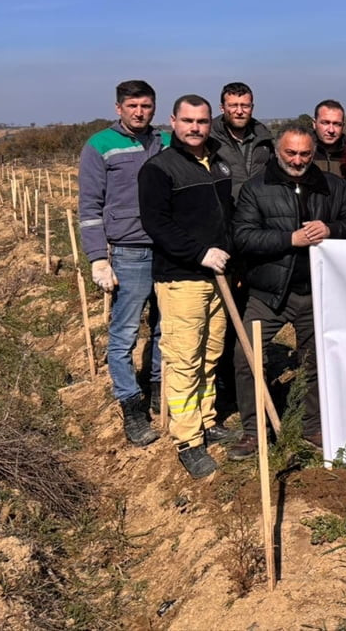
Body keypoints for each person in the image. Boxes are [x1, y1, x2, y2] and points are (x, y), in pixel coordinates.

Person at [227, 125, 346, 459]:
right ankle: (252, 430)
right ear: (278, 151)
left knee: (315, 362)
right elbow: (243, 237)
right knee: (246, 358)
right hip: (268, 293)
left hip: (317, 293)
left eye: (305, 154)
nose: (298, 160)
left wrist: (331, 229)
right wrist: (291, 239)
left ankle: (311, 426)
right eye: (291, 153)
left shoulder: (332, 186)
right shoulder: (255, 188)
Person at [138, 95, 235, 479]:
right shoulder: (159, 169)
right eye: (188, 120)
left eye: (202, 121)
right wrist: (199, 253)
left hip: (219, 276)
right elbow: (156, 224)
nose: (195, 127)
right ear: (173, 122)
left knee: (210, 352)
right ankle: (188, 439)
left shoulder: (220, 162)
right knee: (183, 357)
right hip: (182, 278)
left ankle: (207, 418)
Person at [79, 79, 168, 447]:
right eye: (132, 106)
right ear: (119, 108)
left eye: (146, 106)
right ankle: (131, 405)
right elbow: (89, 207)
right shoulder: (99, 145)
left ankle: (162, 392)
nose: (139, 112)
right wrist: (99, 257)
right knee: (124, 334)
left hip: (167, 250)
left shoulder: (164, 142)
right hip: (128, 252)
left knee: (167, 329)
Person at [209, 81, 272, 200]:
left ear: (252, 108)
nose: (239, 111)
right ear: (222, 108)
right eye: (233, 105)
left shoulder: (265, 139)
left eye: (245, 106)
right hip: (225, 211)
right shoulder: (209, 139)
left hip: (258, 211)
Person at [312, 99, 346, 175]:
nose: (331, 130)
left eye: (336, 124)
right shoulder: (302, 151)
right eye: (325, 123)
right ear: (314, 124)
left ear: (343, 126)